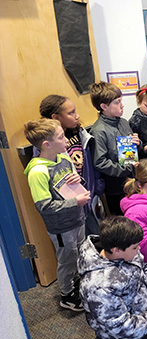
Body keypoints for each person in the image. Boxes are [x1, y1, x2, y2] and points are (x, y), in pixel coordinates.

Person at [24, 118, 90, 311]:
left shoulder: (63, 158)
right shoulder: (38, 172)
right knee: (67, 260)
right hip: (61, 227)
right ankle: (66, 295)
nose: (66, 141)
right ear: (47, 144)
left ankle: (76, 284)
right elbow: (44, 206)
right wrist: (75, 202)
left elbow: (76, 185)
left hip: (77, 218)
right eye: (61, 137)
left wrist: (79, 179)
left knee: (79, 254)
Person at [39, 94, 104, 235]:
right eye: (71, 113)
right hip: (70, 207)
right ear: (55, 117)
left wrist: (97, 187)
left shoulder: (80, 133)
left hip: (90, 197)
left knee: (98, 239)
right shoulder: (47, 145)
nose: (77, 116)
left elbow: (91, 163)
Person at [89, 81, 140, 215]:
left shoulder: (123, 122)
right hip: (116, 188)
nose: (122, 105)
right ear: (104, 106)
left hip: (133, 181)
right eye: (117, 102)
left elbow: (129, 151)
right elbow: (100, 162)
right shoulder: (99, 130)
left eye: (121, 100)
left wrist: (136, 143)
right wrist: (124, 169)